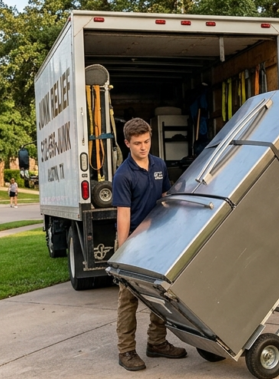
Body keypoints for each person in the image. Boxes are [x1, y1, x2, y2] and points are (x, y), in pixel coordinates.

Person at [112, 118, 187, 371]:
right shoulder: (123, 175)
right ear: (127, 143)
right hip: (133, 239)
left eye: (146, 141)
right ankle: (126, 351)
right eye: (137, 143)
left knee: (160, 292)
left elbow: (165, 198)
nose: (143, 147)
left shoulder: (159, 165)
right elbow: (123, 215)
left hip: (157, 237)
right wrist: (123, 252)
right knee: (129, 298)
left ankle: (156, 343)